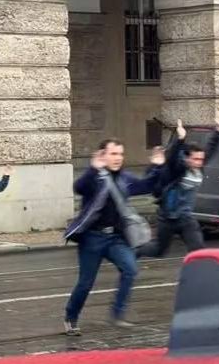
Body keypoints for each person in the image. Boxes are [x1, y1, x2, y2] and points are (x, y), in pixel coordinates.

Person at [63, 140, 164, 336]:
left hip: (115, 238)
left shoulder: (124, 178)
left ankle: (117, 314)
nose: (118, 158)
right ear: (103, 155)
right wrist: (93, 169)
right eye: (113, 154)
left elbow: (146, 186)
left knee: (130, 269)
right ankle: (71, 317)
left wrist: (156, 166)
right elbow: (79, 187)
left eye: (120, 154)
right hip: (92, 238)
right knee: (85, 283)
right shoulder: (95, 178)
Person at [138, 118, 219, 259]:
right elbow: (172, 157)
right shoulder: (177, 169)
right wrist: (180, 139)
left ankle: (196, 271)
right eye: (195, 159)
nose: (199, 163)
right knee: (159, 250)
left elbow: (211, 148)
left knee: (198, 250)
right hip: (167, 219)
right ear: (187, 158)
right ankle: (138, 250)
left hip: (185, 218)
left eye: (201, 160)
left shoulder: (199, 166)